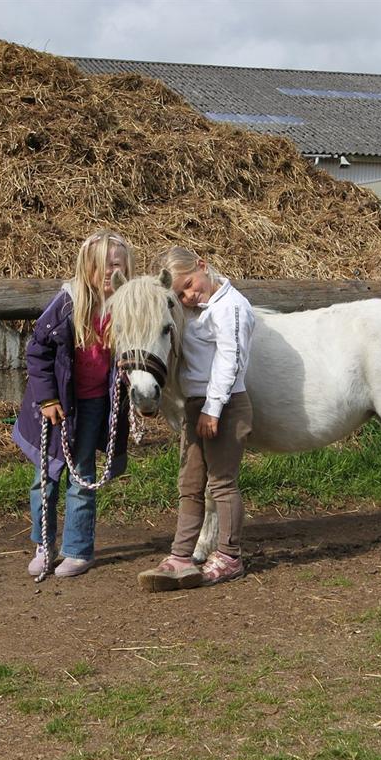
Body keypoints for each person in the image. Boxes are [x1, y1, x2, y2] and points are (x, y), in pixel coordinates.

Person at [12, 229, 135, 578]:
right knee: (46, 477)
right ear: (90, 268)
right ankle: (43, 543)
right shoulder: (67, 304)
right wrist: (47, 398)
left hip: (95, 404)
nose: (115, 273)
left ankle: (79, 550)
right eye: (108, 266)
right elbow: (38, 351)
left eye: (121, 266)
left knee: (83, 477)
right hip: (57, 407)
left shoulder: (124, 308)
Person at [138, 247, 255, 592]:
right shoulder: (197, 311)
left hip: (225, 406)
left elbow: (231, 361)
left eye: (189, 284)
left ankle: (230, 556)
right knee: (189, 485)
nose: (188, 295)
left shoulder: (232, 307)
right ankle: (180, 555)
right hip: (196, 406)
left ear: (203, 266)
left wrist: (213, 408)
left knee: (221, 482)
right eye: (179, 293)